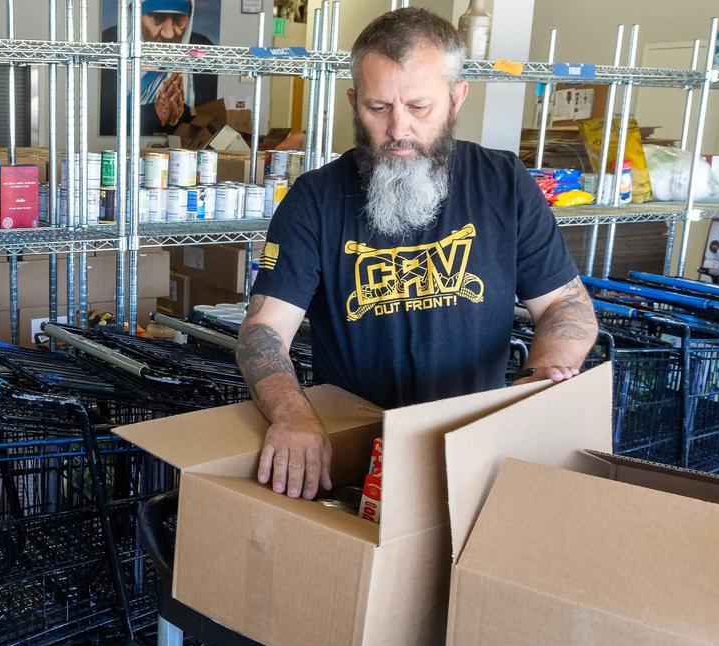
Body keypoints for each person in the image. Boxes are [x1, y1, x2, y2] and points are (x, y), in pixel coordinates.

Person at [236, 8, 599, 500]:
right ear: (353, 102)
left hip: (476, 447)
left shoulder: (504, 184)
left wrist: (537, 378)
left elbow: (565, 304)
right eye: (378, 107)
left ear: (456, 98)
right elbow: (263, 330)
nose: (398, 129)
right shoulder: (315, 199)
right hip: (356, 459)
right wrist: (292, 413)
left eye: (419, 107)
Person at [99, 0, 219, 136]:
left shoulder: (204, 50)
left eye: (179, 19)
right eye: (157, 18)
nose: (169, 34)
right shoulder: (108, 45)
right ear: (134, 15)